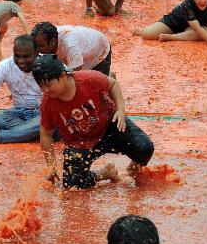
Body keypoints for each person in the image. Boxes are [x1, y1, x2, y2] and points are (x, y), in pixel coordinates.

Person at [34, 55, 154, 188]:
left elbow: (112, 84)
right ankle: (105, 173)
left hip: (110, 126)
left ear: (62, 75)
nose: (45, 90)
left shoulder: (88, 78)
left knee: (144, 147)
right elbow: (46, 134)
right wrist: (51, 166)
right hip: (80, 143)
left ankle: (134, 168)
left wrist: (120, 109)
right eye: (41, 86)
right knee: (71, 183)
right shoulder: (47, 103)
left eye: (49, 85)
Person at [32, 21, 112, 75]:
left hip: (100, 50)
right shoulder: (46, 37)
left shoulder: (70, 45)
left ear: (52, 41)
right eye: (36, 46)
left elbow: (76, 75)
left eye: (40, 46)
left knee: (98, 88)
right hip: (83, 48)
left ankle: (110, 78)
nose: (37, 50)